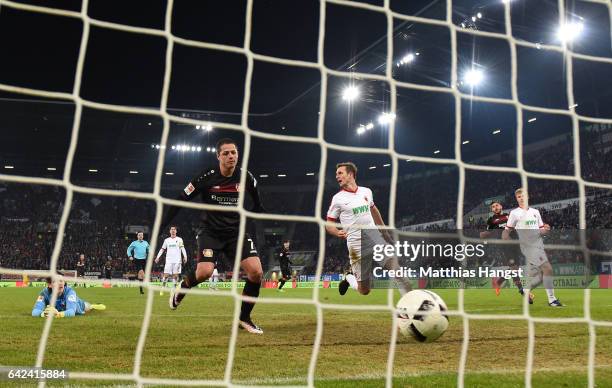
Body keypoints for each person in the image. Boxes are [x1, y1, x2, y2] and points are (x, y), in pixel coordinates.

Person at [160, 138, 265, 334]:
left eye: (233, 152)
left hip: (236, 233)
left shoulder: (245, 177)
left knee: (256, 272)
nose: (231, 156)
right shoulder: (206, 177)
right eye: (226, 153)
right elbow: (181, 199)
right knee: (205, 273)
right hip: (211, 233)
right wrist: (162, 224)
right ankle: (183, 287)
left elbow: (256, 196)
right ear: (218, 156)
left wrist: (257, 210)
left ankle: (244, 318)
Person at [325, 162, 411, 296]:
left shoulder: (366, 191)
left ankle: (407, 311)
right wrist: (337, 232)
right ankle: (349, 278)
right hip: (355, 245)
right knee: (364, 290)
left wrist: (385, 232)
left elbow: (374, 210)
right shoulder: (337, 199)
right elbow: (328, 224)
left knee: (399, 273)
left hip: (374, 237)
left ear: (351, 174)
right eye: (336, 174)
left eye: (340, 173)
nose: (337, 176)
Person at [503, 188, 563, 307]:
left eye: (523, 195)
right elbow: (505, 233)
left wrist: (546, 229)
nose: (521, 198)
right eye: (518, 196)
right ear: (517, 199)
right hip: (528, 247)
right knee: (548, 269)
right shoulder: (514, 213)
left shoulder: (535, 212)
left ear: (528, 197)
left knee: (542, 276)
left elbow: (542, 230)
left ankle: (526, 291)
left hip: (539, 245)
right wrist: (512, 243)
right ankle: (552, 300)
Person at [480, 201, 525, 297]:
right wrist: (484, 234)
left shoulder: (509, 216)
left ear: (501, 206)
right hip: (505, 246)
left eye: (496, 205)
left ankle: (499, 282)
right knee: (513, 268)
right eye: (493, 207)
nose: (495, 207)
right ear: (491, 210)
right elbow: (488, 232)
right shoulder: (491, 220)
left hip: (516, 244)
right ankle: (522, 291)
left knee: (515, 268)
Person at [32, 277, 106, 318]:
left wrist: (58, 315)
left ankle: (93, 306)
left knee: (87, 307)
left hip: (79, 305)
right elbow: (35, 311)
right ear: (49, 285)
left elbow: (71, 312)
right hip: (60, 309)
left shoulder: (70, 292)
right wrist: (43, 314)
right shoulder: (44, 293)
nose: (60, 283)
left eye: (61, 280)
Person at [155, 226, 187, 295]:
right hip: (169, 260)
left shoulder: (179, 239)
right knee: (166, 275)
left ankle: (174, 290)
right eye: (172, 229)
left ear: (176, 231)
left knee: (175, 276)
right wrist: (158, 257)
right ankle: (162, 288)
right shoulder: (166, 240)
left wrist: (185, 256)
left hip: (177, 260)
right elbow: (162, 249)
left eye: (174, 229)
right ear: (170, 231)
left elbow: (182, 248)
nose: (173, 230)